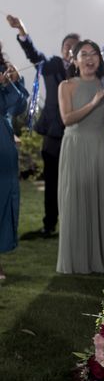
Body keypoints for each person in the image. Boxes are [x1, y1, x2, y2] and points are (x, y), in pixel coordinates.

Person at [5, 14, 79, 238]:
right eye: (67, 46)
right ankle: (49, 225)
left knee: (75, 184)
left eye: (75, 47)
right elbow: (33, 55)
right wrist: (22, 30)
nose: (70, 50)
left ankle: (73, 226)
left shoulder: (85, 70)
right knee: (52, 183)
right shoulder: (52, 65)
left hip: (77, 134)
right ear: (62, 49)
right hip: (54, 134)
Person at [56, 40, 104, 274]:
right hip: (75, 146)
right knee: (76, 199)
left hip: (101, 145)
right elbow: (67, 119)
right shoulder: (66, 85)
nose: (89, 58)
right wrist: (94, 102)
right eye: (83, 54)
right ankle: (78, 259)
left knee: (102, 200)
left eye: (94, 54)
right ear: (75, 61)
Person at [0, 47, 29, 280]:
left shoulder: (4, 70)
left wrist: (15, 82)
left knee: (3, 199)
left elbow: (18, 107)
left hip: (5, 145)